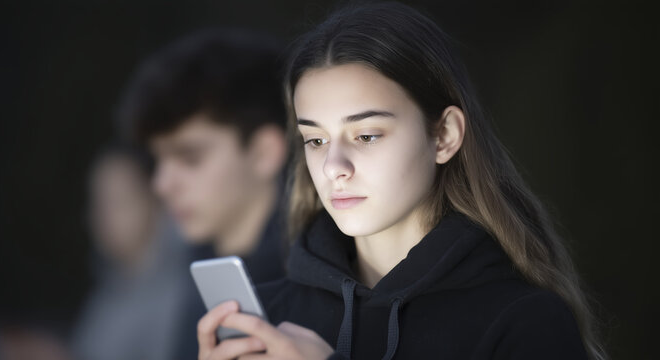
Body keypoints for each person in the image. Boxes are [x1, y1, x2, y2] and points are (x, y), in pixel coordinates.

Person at [197, 2, 606, 360]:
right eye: (316, 139)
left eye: (367, 135)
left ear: (444, 135)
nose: (333, 166)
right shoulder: (267, 321)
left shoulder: (523, 322)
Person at [117, 29, 289, 358]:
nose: (162, 184)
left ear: (264, 152)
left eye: (190, 158)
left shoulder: (327, 286)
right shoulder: (197, 267)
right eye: (158, 159)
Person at [72, 144, 187, 360]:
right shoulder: (109, 287)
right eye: (98, 202)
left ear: (155, 201)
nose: (103, 217)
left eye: (119, 201)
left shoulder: (183, 293)